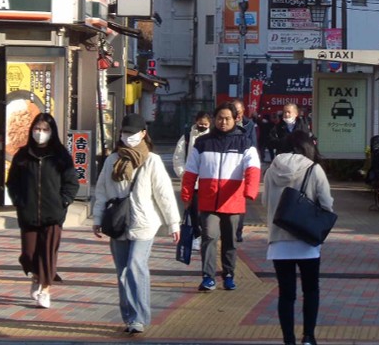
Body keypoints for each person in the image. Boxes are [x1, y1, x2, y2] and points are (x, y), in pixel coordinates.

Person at [92, 114, 180, 334]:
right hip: (117, 223)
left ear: (143, 134)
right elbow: (101, 191)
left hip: (144, 223)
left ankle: (139, 317)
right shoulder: (112, 160)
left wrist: (173, 224)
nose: (128, 136)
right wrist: (97, 219)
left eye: (132, 133)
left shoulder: (152, 160)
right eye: (124, 132)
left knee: (135, 266)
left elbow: (164, 195)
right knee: (122, 271)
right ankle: (130, 317)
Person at [263, 129, 333, 345]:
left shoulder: (271, 170)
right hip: (307, 240)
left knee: (286, 294)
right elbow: (327, 205)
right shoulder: (314, 169)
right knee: (311, 290)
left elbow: (266, 202)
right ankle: (309, 337)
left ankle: (288, 340)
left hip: (279, 241)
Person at [181, 102, 261, 292]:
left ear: (235, 119)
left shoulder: (245, 143)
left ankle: (228, 275)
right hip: (208, 200)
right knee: (209, 237)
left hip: (233, 201)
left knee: (230, 240)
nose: (223, 122)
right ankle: (208, 277)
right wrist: (187, 194)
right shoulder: (202, 143)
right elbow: (190, 171)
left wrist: (250, 191)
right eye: (219, 118)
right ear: (214, 120)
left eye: (227, 118)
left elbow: (253, 169)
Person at [6, 113, 79, 308]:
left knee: (48, 255)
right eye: (37, 129)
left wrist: (63, 202)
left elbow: (71, 182)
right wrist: (19, 201)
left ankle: (45, 289)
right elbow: (12, 183)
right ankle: (36, 276)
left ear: (52, 132)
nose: (40, 133)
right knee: (29, 255)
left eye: (45, 130)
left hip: (53, 214)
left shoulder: (61, 156)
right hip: (28, 214)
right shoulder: (22, 155)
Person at [172, 111, 213, 251]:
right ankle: (197, 235)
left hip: (209, 181)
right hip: (192, 182)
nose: (202, 126)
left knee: (207, 212)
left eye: (205, 124)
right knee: (193, 211)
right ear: (195, 121)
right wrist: (183, 174)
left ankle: (207, 234)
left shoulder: (213, 137)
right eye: (200, 123)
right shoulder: (188, 137)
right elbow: (178, 157)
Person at [232, 98, 258, 242]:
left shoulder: (249, 125)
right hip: (227, 168)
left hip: (242, 167)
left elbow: (254, 146)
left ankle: (238, 231)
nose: (237, 115)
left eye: (239, 111)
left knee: (240, 202)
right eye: (235, 111)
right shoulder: (226, 123)